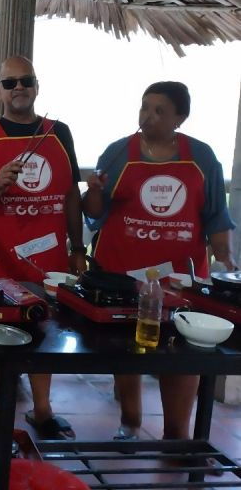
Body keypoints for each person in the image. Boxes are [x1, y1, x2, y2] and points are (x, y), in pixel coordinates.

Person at [83, 81, 236, 442]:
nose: (147, 116)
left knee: (182, 355)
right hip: (121, 276)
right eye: (144, 107)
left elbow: (216, 216)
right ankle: (130, 420)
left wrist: (226, 262)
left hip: (180, 281)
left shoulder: (201, 158)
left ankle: (176, 434)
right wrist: (94, 191)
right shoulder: (118, 153)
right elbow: (95, 212)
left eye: (159, 110)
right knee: (128, 349)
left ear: (180, 118)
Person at [0, 55, 85, 441]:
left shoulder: (59, 133)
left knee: (44, 332)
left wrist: (78, 248)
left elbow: (70, 194)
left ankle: (42, 409)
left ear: (36, 86)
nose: (19, 89)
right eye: (10, 83)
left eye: (25, 81)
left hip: (49, 257)